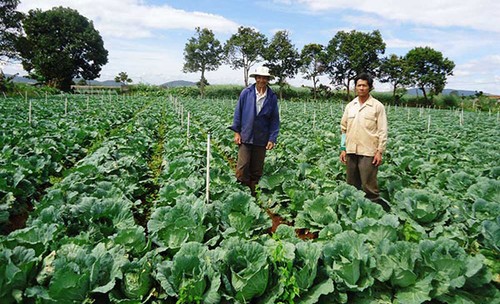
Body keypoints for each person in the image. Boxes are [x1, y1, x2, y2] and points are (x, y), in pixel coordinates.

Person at [340, 72, 388, 208]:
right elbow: (344, 128)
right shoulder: (351, 106)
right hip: (351, 150)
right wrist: (343, 148)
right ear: (355, 87)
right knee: (351, 185)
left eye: (364, 85)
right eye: (359, 85)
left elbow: (382, 130)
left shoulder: (377, 106)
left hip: (368, 152)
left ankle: (372, 210)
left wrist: (380, 151)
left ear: (370, 87)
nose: (361, 88)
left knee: (369, 186)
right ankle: (352, 210)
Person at [229, 66, 280, 196]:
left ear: (268, 80)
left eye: (265, 78)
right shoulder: (246, 93)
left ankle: (253, 193)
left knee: (257, 169)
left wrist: (272, 138)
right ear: (256, 78)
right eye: (259, 77)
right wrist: (236, 132)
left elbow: (274, 119)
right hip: (246, 135)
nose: (262, 80)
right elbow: (238, 112)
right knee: (242, 166)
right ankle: (241, 192)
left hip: (261, 137)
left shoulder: (272, 97)